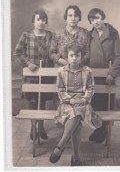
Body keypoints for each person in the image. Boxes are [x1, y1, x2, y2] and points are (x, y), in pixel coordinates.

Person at [49, 44, 102, 166]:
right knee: (76, 120)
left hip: (83, 102)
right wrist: (70, 100)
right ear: (67, 57)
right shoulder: (61, 71)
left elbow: (90, 88)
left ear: (81, 57)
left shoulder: (87, 71)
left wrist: (84, 99)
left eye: (77, 55)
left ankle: (60, 145)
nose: (74, 58)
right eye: (71, 55)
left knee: (78, 112)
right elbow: (60, 90)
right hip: (67, 103)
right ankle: (76, 158)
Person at [14, 9, 53, 141]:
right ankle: (33, 128)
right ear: (33, 21)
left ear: (46, 21)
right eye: (38, 19)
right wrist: (28, 64)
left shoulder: (50, 35)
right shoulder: (26, 35)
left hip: (46, 75)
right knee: (33, 101)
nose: (41, 22)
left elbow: (54, 53)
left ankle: (41, 127)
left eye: (43, 20)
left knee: (42, 102)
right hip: (31, 76)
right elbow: (17, 52)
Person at [87, 8, 120, 143]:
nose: (95, 22)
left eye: (97, 18)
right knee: (94, 104)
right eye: (92, 20)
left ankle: (103, 131)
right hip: (93, 76)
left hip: (107, 77)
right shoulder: (90, 35)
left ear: (102, 17)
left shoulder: (113, 33)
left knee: (106, 105)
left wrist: (111, 74)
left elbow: (119, 57)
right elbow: (87, 55)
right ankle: (98, 129)